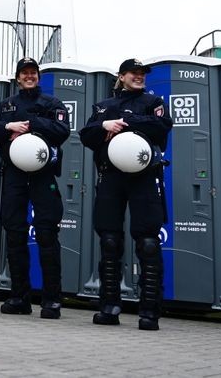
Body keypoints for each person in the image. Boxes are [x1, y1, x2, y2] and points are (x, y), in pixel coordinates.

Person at [79, 58, 173, 329]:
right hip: (111, 176)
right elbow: (87, 135)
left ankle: (149, 312)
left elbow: (162, 127)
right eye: (134, 72)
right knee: (109, 241)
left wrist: (127, 121)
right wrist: (104, 126)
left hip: (144, 177)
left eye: (142, 73)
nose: (139, 76)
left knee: (148, 242)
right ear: (121, 76)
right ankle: (109, 307)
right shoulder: (103, 107)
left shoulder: (153, 102)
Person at [0, 57, 71, 319]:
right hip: (13, 175)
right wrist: (7, 126)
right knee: (14, 234)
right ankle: (19, 297)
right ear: (18, 77)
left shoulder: (52, 103)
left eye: (33, 72)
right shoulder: (6, 106)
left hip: (43, 176)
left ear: (38, 76)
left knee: (47, 234)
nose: (29, 76)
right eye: (24, 73)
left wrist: (32, 125)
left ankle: (51, 300)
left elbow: (62, 130)